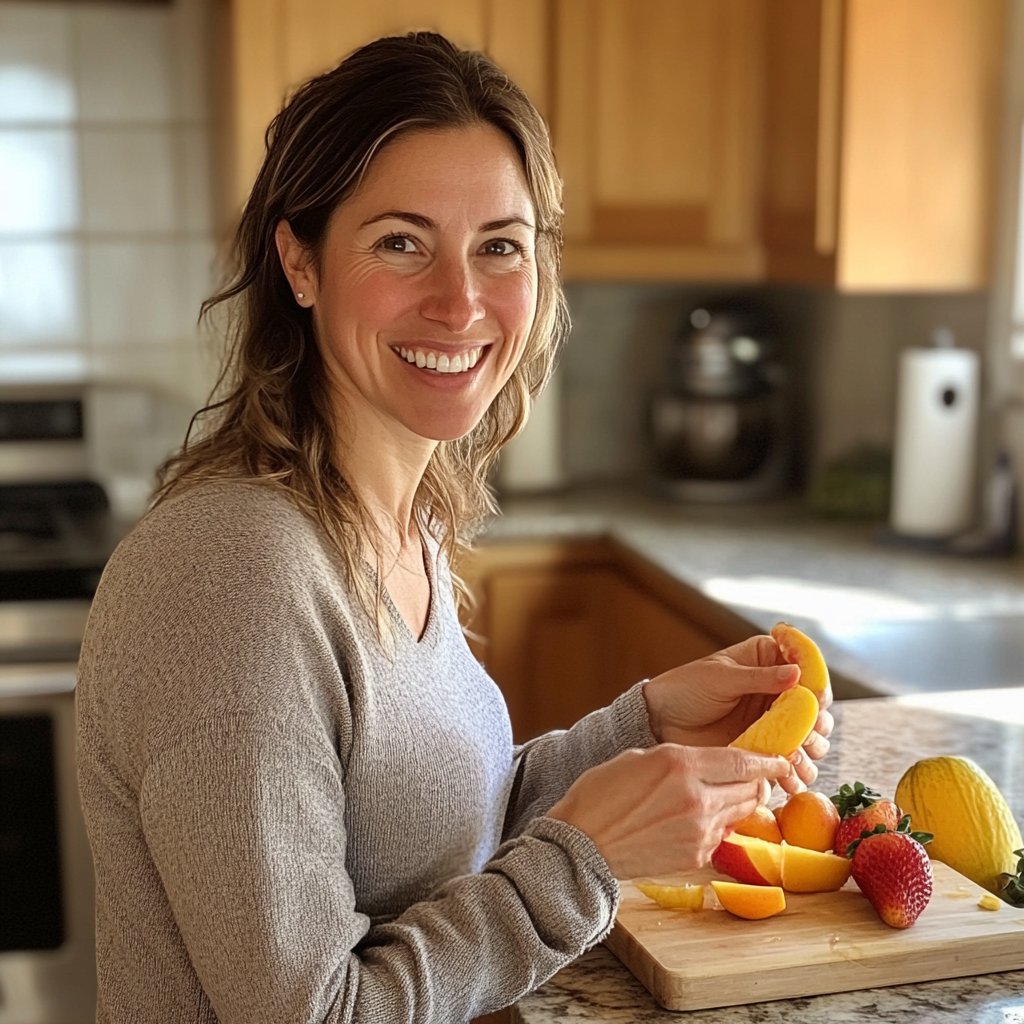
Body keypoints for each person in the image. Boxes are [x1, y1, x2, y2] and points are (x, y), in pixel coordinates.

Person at [76, 32, 832, 1024]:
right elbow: (317, 1011)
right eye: (400, 241)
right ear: (299, 261)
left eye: (499, 246)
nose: (459, 300)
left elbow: (421, 834)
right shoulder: (233, 573)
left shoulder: (398, 520)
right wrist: (585, 862)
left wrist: (638, 725)